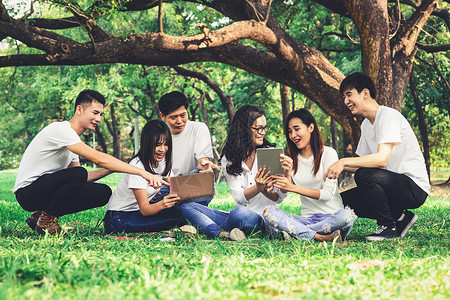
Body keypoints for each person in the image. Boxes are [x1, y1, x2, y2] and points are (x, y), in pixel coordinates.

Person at [13, 90, 164, 235]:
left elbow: (79, 181)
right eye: (95, 113)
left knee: (102, 192)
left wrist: (111, 169)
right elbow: (96, 159)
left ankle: (40, 216)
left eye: (101, 114)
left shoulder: (73, 141)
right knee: (79, 173)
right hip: (27, 193)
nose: (98, 119)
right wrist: (142, 172)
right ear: (79, 109)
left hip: (44, 190)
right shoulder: (60, 130)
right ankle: (46, 220)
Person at [325, 72, 430, 241]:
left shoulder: (387, 116)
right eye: (344, 97)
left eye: (349, 95)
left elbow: (381, 159)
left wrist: (344, 161)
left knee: (364, 175)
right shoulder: (366, 125)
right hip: (391, 186)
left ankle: (387, 227)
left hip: (413, 188)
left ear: (365, 93)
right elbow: (362, 164)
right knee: (342, 201)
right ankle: (401, 218)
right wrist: (334, 164)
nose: (346, 101)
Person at [264, 109, 356, 242]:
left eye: (297, 129)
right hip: (307, 218)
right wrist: (287, 174)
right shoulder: (292, 160)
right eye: (289, 131)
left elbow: (327, 194)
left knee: (346, 215)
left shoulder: (328, 153)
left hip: (333, 217)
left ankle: (298, 231)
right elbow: (284, 193)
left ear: (311, 127)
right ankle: (319, 237)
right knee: (269, 212)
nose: (293, 135)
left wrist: (293, 187)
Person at [103, 120, 185, 234]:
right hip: (118, 219)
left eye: (166, 144)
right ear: (147, 143)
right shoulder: (137, 166)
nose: (162, 149)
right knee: (177, 216)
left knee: (179, 212)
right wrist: (163, 204)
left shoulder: (162, 162)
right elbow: (145, 210)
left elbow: (176, 186)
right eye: (157, 145)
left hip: (137, 213)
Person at [220, 105, 288, 237]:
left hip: (264, 217)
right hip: (243, 214)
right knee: (190, 208)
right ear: (243, 129)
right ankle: (227, 232)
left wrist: (287, 174)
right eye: (259, 128)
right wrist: (258, 187)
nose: (263, 132)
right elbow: (239, 197)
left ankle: (234, 230)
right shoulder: (229, 158)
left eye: (264, 128)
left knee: (237, 215)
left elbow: (279, 198)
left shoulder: (270, 153)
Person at [158, 91, 219, 206]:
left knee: (203, 179)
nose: (179, 121)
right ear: (162, 116)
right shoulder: (158, 136)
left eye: (183, 115)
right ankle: (190, 209)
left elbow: (202, 160)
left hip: (191, 183)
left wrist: (204, 165)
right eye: (173, 117)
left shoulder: (199, 128)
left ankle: (182, 208)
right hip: (168, 186)